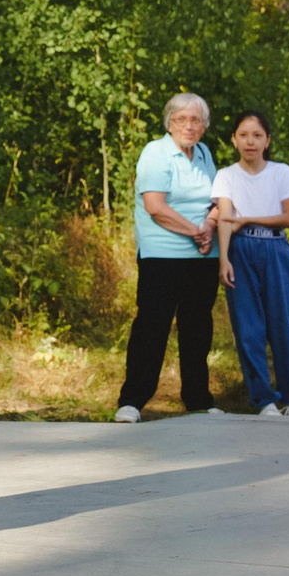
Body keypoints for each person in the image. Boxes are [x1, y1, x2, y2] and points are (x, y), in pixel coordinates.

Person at [114, 93, 223, 422]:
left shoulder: (204, 153)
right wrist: (196, 230)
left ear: (204, 126)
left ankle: (198, 400)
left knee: (197, 329)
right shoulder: (155, 153)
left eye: (196, 120)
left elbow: (220, 199)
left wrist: (210, 226)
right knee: (152, 327)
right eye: (182, 120)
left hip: (203, 257)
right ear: (169, 123)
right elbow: (155, 207)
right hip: (161, 257)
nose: (189, 126)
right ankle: (132, 401)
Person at [211, 110, 289, 418]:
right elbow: (226, 219)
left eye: (257, 135)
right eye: (243, 135)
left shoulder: (281, 173)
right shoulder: (226, 176)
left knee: (281, 327)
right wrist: (224, 257)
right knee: (248, 329)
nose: (250, 141)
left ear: (267, 141)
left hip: (275, 249)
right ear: (234, 140)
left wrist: (248, 217)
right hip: (240, 251)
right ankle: (264, 399)